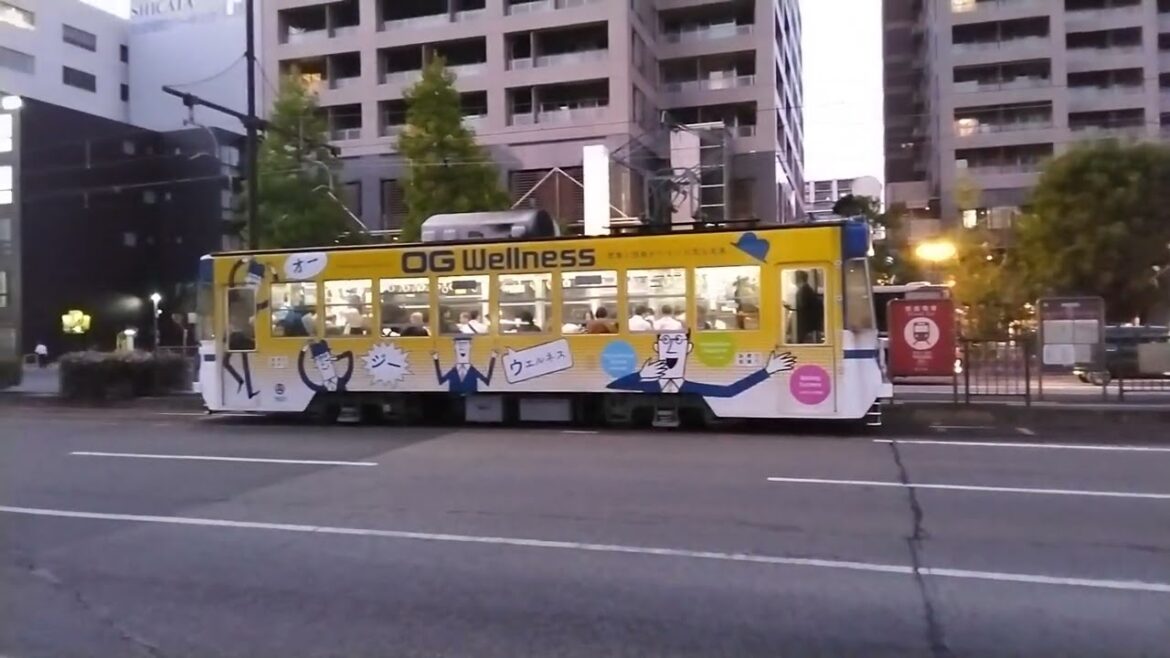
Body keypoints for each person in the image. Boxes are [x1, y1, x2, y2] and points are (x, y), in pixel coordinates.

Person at [794, 270, 824, 342]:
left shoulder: (804, 291)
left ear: (799, 279)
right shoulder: (806, 289)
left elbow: (802, 308)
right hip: (808, 327)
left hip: (806, 327)